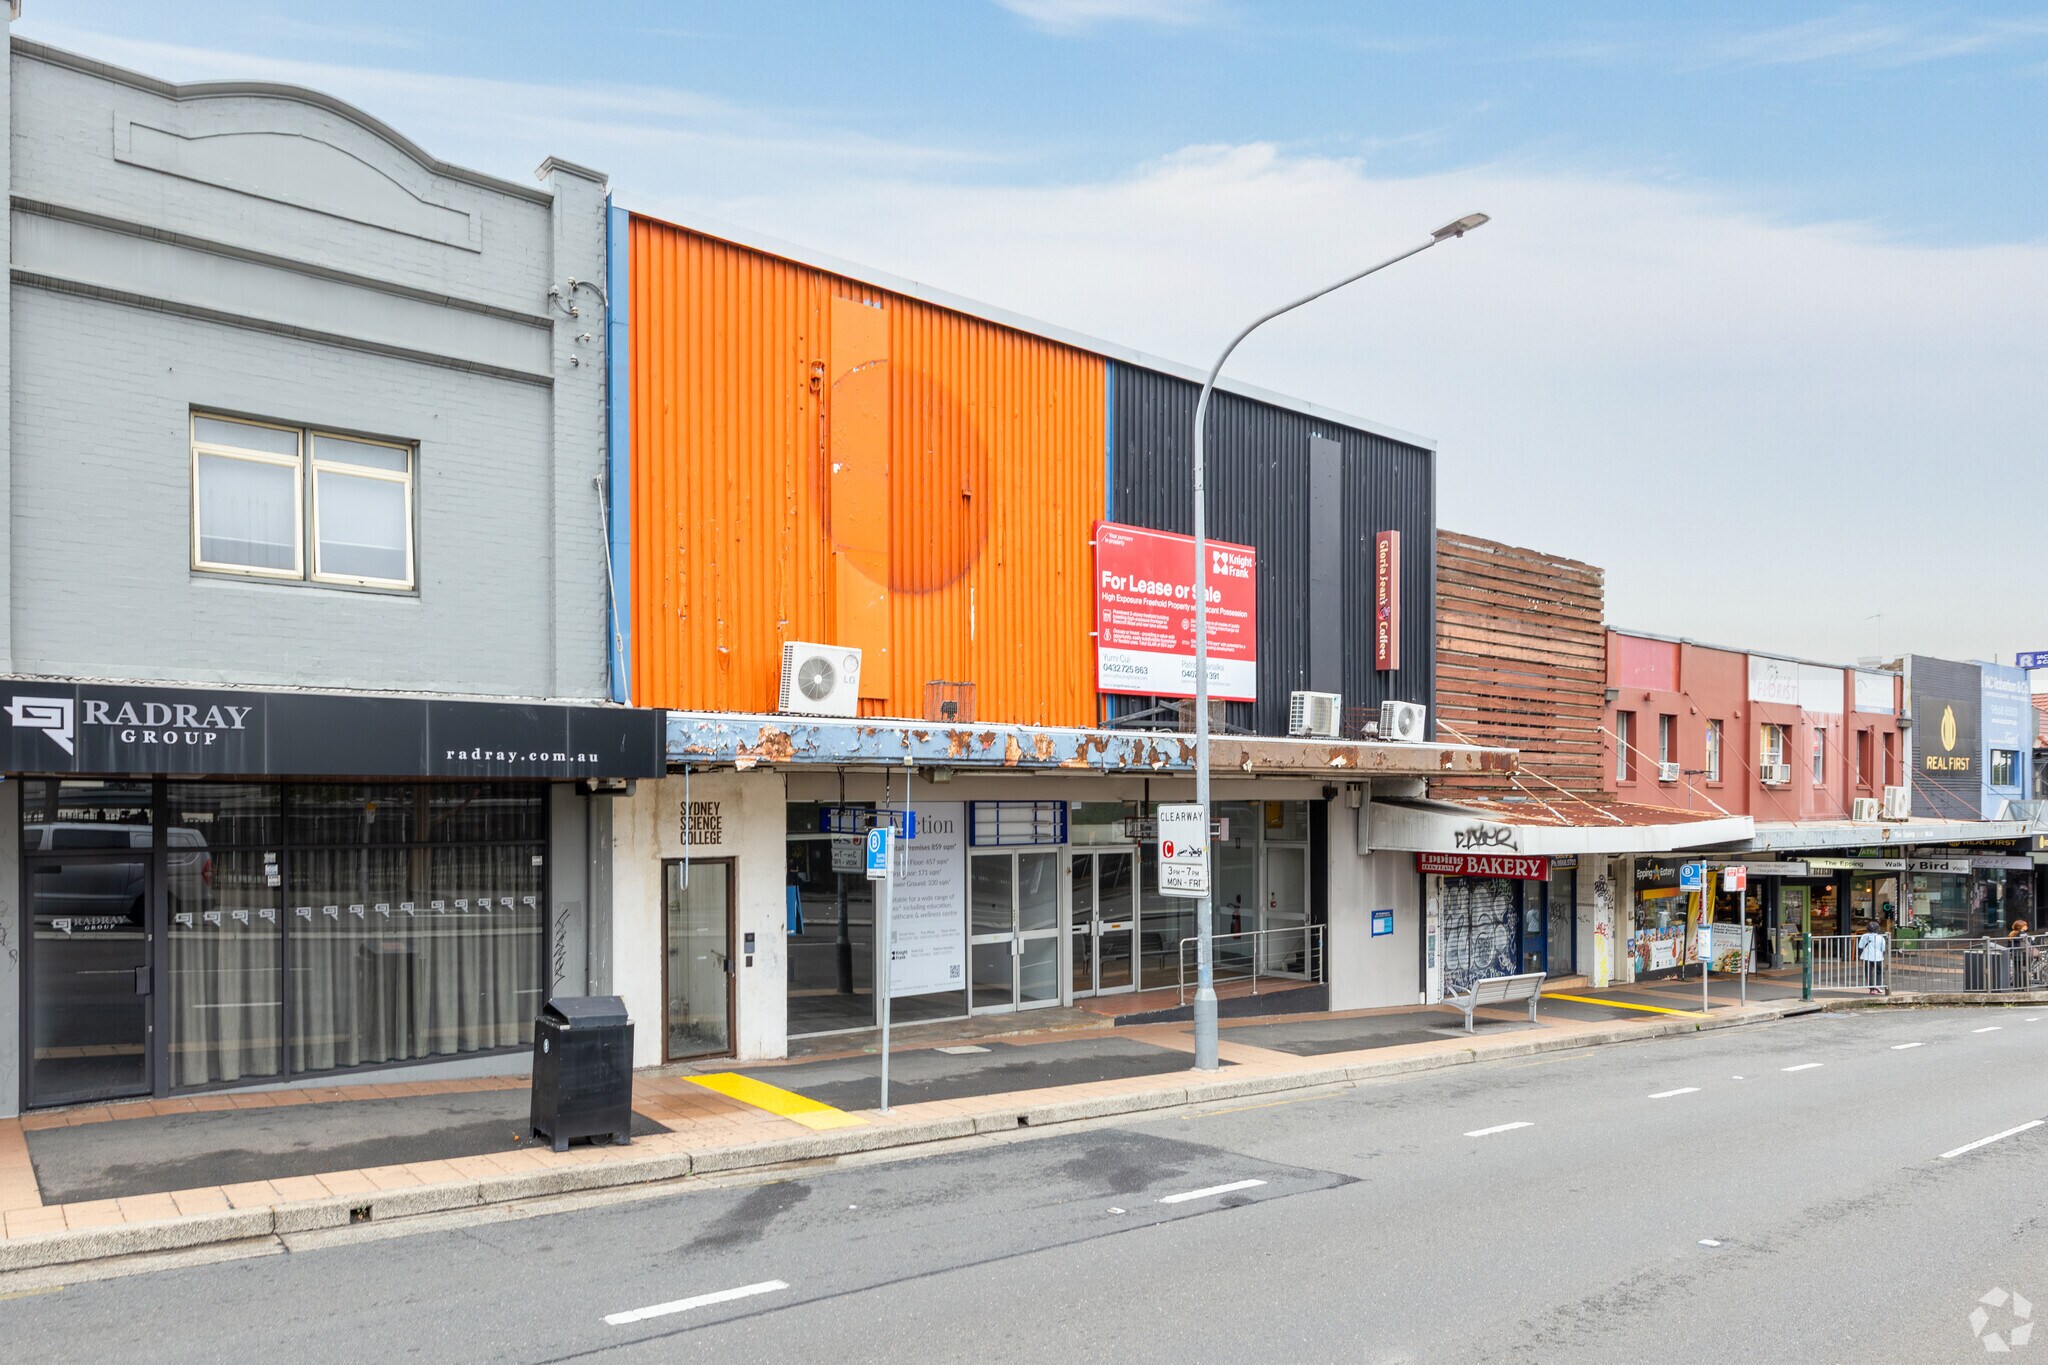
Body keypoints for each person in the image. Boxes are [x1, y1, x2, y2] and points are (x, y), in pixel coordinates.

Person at [1857, 920, 1888, 996]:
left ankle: (1872, 989)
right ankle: (1878, 985)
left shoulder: (1864, 936)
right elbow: (1883, 949)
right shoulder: (1881, 938)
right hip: (1878, 957)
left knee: (1868, 973)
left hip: (1866, 957)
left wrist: (1860, 955)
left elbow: (1860, 946)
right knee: (1879, 971)